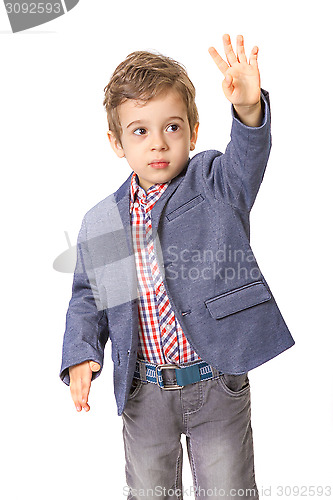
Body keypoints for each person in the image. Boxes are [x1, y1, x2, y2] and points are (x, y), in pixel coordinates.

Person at [60, 34, 294, 499]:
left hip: (217, 382)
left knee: (228, 491)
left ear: (193, 129)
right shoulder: (105, 219)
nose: (158, 143)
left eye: (172, 127)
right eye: (140, 131)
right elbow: (89, 296)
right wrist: (83, 354)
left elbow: (248, 161)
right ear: (116, 141)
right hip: (144, 392)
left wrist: (249, 111)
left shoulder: (214, 183)